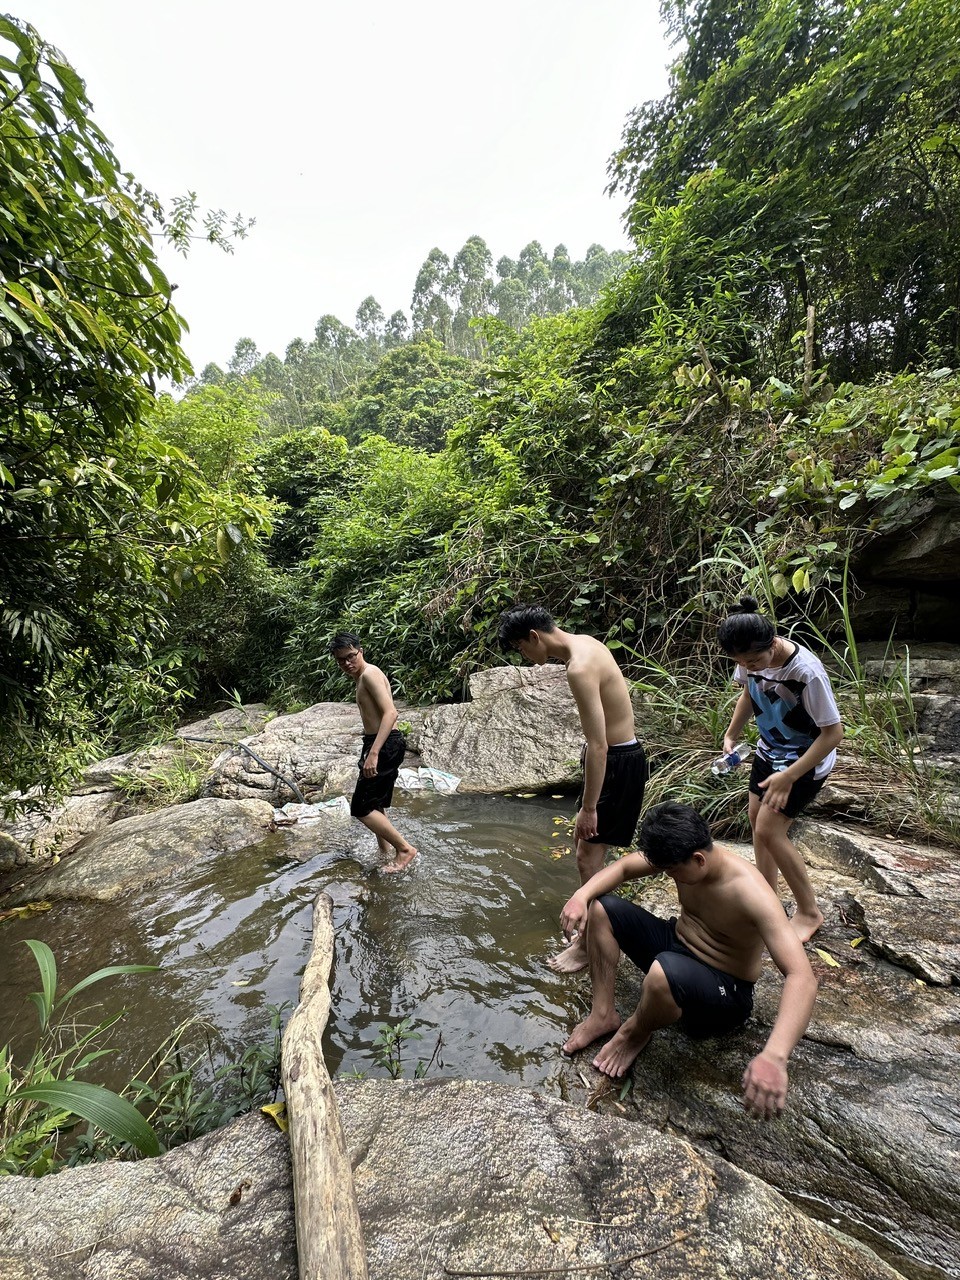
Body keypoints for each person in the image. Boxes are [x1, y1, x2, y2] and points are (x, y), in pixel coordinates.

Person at [560, 801, 817, 1119]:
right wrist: (581, 896)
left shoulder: (751, 893)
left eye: (671, 871)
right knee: (601, 909)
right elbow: (625, 868)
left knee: (660, 976)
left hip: (723, 987)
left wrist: (775, 1055)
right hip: (677, 946)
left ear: (698, 859)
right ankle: (602, 1014)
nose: (667, 875)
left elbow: (801, 977)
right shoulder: (683, 852)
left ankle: (635, 1032)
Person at [497, 603, 647, 973]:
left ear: (534, 636)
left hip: (615, 762)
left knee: (587, 857)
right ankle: (596, 927)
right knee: (586, 853)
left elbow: (599, 745)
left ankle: (590, 943)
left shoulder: (578, 667)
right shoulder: (586, 643)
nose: (524, 655)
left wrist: (590, 807)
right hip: (618, 759)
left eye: (520, 648)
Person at [718, 596, 843, 942]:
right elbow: (748, 691)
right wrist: (731, 733)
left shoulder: (806, 672)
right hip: (769, 750)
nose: (750, 667)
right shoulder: (749, 657)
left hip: (805, 759)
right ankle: (767, 900)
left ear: (773, 644)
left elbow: (833, 733)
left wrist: (790, 775)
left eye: (755, 660)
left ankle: (808, 912)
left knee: (771, 830)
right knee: (756, 822)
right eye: (742, 662)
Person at [329, 632, 418, 873]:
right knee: (376, 801)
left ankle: (404, 849)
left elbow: (391, 713)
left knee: (360, 808)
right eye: (341, 660)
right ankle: (385, 851)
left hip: (384, 743)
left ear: (360, 650)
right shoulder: (361, 677)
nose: (347, 663)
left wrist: (374, 752)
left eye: (351, 656)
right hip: (379, 741)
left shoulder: (369, 674)